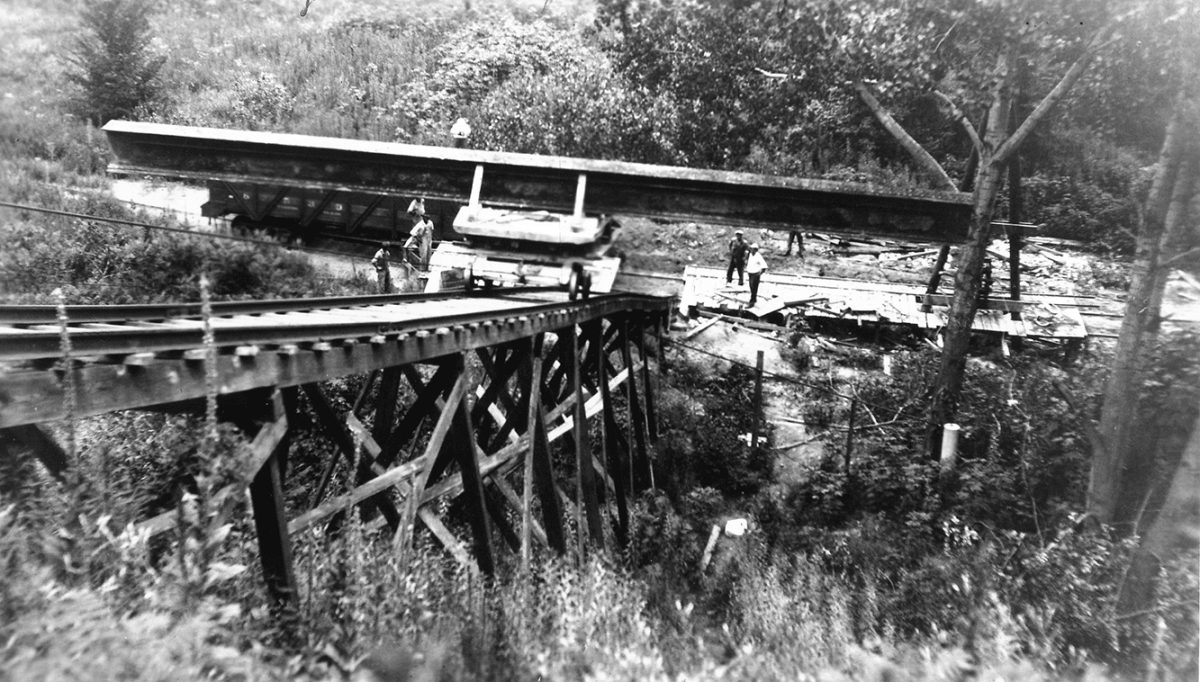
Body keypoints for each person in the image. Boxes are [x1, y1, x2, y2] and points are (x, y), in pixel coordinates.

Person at [746, 243, 768, 308]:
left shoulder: (758, 256)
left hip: (755, 274)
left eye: (753, 250)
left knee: (754, 287)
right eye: (751, 249)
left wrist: (759, 274)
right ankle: (754, 299)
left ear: (756, 250)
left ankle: (752, 301)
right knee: (751, 286)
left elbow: (764, 266)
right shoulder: (750, 255)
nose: (752, 251)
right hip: (750, 273)